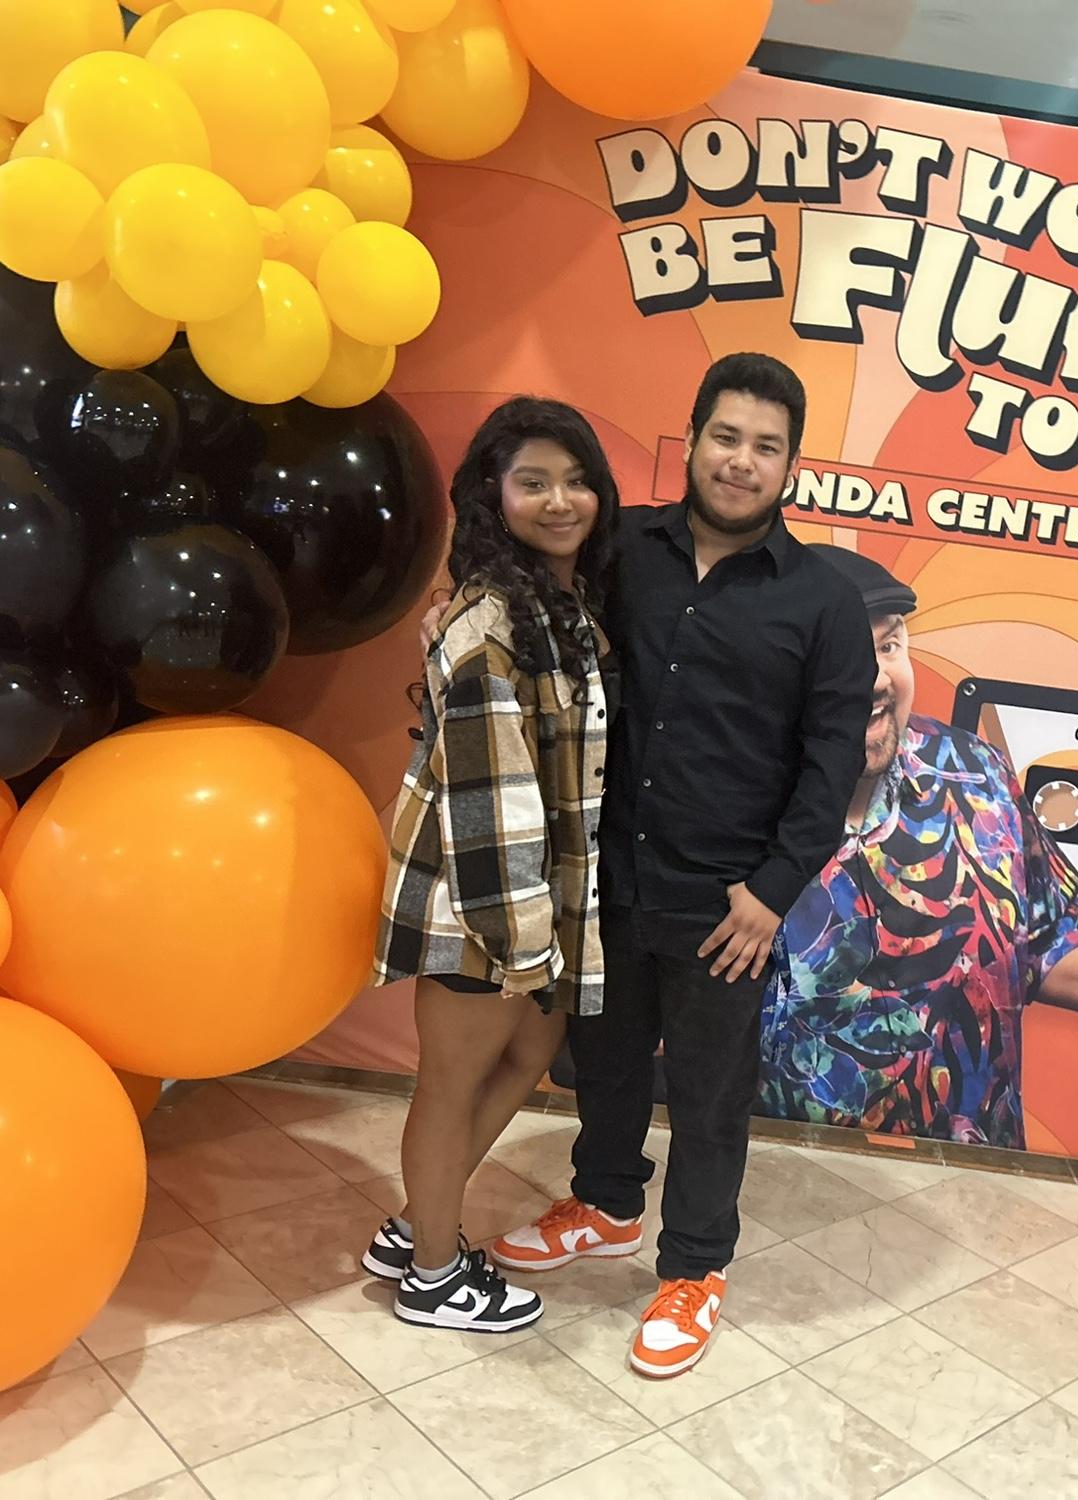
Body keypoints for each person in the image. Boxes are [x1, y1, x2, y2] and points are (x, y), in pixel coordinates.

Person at [491, 354, 874, 1378]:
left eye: (766, 447)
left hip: (726, 905)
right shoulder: (622, 550)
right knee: (605, 1061)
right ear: (694, 439)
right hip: (610, 877)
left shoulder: (825, 602)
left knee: (708, 1093)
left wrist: (773, 892)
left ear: (792, 466)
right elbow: (533, 613)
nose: (741, 462)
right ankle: (607, 1202)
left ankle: (696, 1267)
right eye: (726, 437)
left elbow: (832, 764)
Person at [757, 547, 1078, 1147]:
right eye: (840, 654)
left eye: (889, 646)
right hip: (766, 1166)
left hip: (968, 1171)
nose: (876, 678)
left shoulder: (975, 772)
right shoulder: (719, 799)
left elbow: (1047, 934)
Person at [362, 396, 619, 1333]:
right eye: (533, 482)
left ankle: (414, 1227)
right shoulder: (488, 623)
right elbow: (491, 796)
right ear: (492, 495)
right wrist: (522, 938)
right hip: (480, 898)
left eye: (577, 480)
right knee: (452, 1083)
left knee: (528, 1053)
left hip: (531, 895)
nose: (560, 500)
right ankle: (433, 1274)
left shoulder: (559, 605)